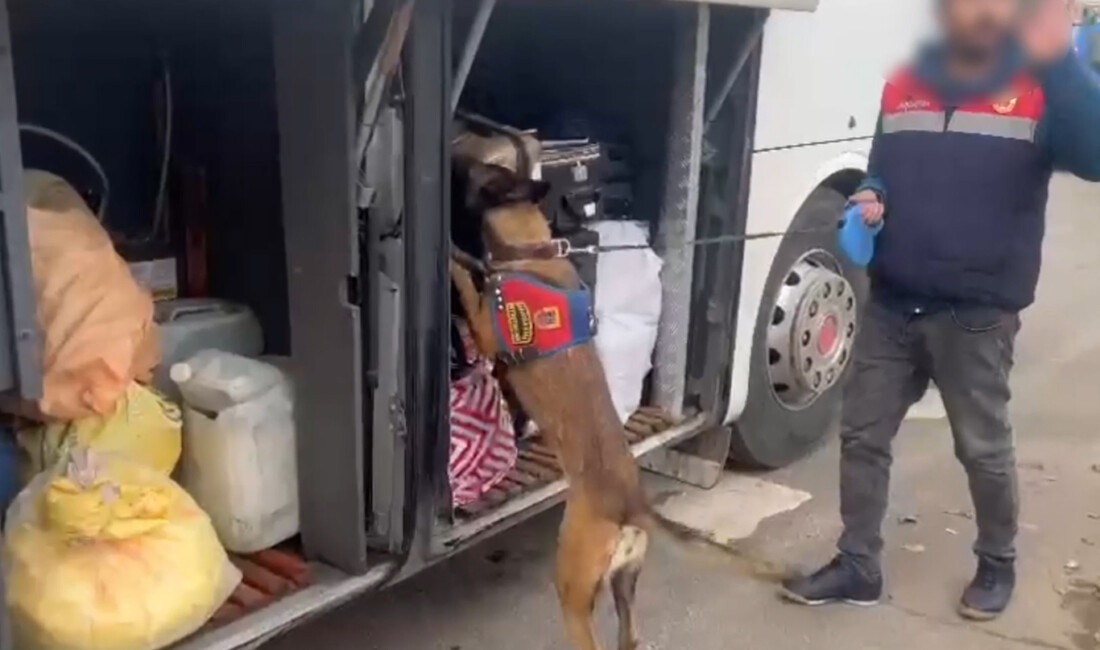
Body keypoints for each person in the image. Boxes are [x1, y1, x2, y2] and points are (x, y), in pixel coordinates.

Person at [781, 0, 1100, 621]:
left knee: (981, 447)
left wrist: (1060, 58)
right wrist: (872, 196)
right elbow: (882, 170)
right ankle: (858, 565)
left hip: (976, 313)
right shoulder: (906, 82)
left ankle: (997, 561)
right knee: (863, 436)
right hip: (894, 301)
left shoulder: (1038, 84)